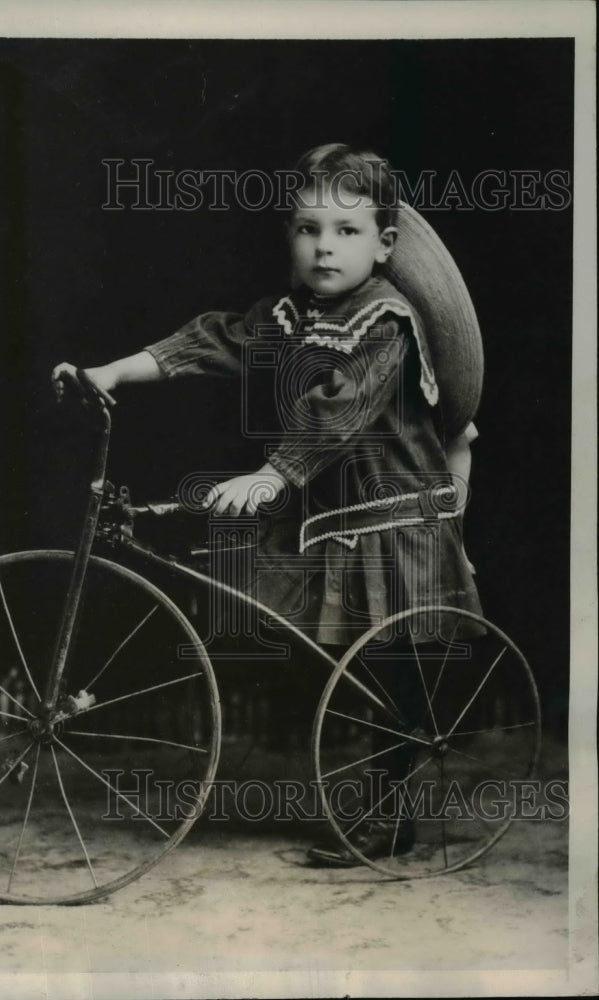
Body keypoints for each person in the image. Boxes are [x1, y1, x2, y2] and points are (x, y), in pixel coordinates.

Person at [52, 143, 483, 865]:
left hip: (395, 520)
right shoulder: (290, 314)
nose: (324, 247)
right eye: (308, 228)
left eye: (346, 231)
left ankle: (391, 808)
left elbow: (338, 410)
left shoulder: (385, 322)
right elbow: (214, 337)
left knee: (389, 670)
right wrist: (114, 372)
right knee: (325, 656)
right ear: (289, 235)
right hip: (334, 522)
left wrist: (272, 476)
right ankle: (380, 793)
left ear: (383, 244)